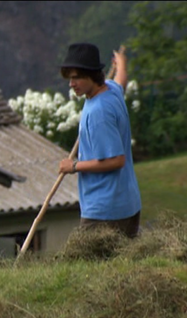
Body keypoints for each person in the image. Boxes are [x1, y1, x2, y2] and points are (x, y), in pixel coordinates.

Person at [58, 43, 142, 238]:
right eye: (70, 78)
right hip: (127, 203)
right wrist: (121, 65)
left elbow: (116, 160)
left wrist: (74, 166)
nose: (71, 84)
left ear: (92, 75)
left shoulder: (99, 113)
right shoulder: (111, 90)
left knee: (88, 267)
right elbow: (120, 81)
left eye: (77, 77)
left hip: (105, 211)